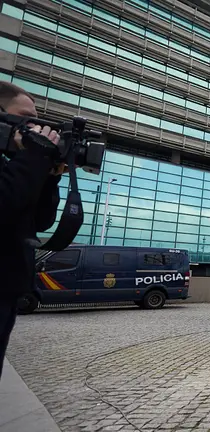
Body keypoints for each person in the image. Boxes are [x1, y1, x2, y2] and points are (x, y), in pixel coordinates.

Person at [0, 82, 64, 378]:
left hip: (7, 289)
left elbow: (40, 222)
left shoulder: (16, 163)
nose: (36, 128)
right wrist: (33, 160)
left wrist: (48, 178)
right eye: (26, 119)